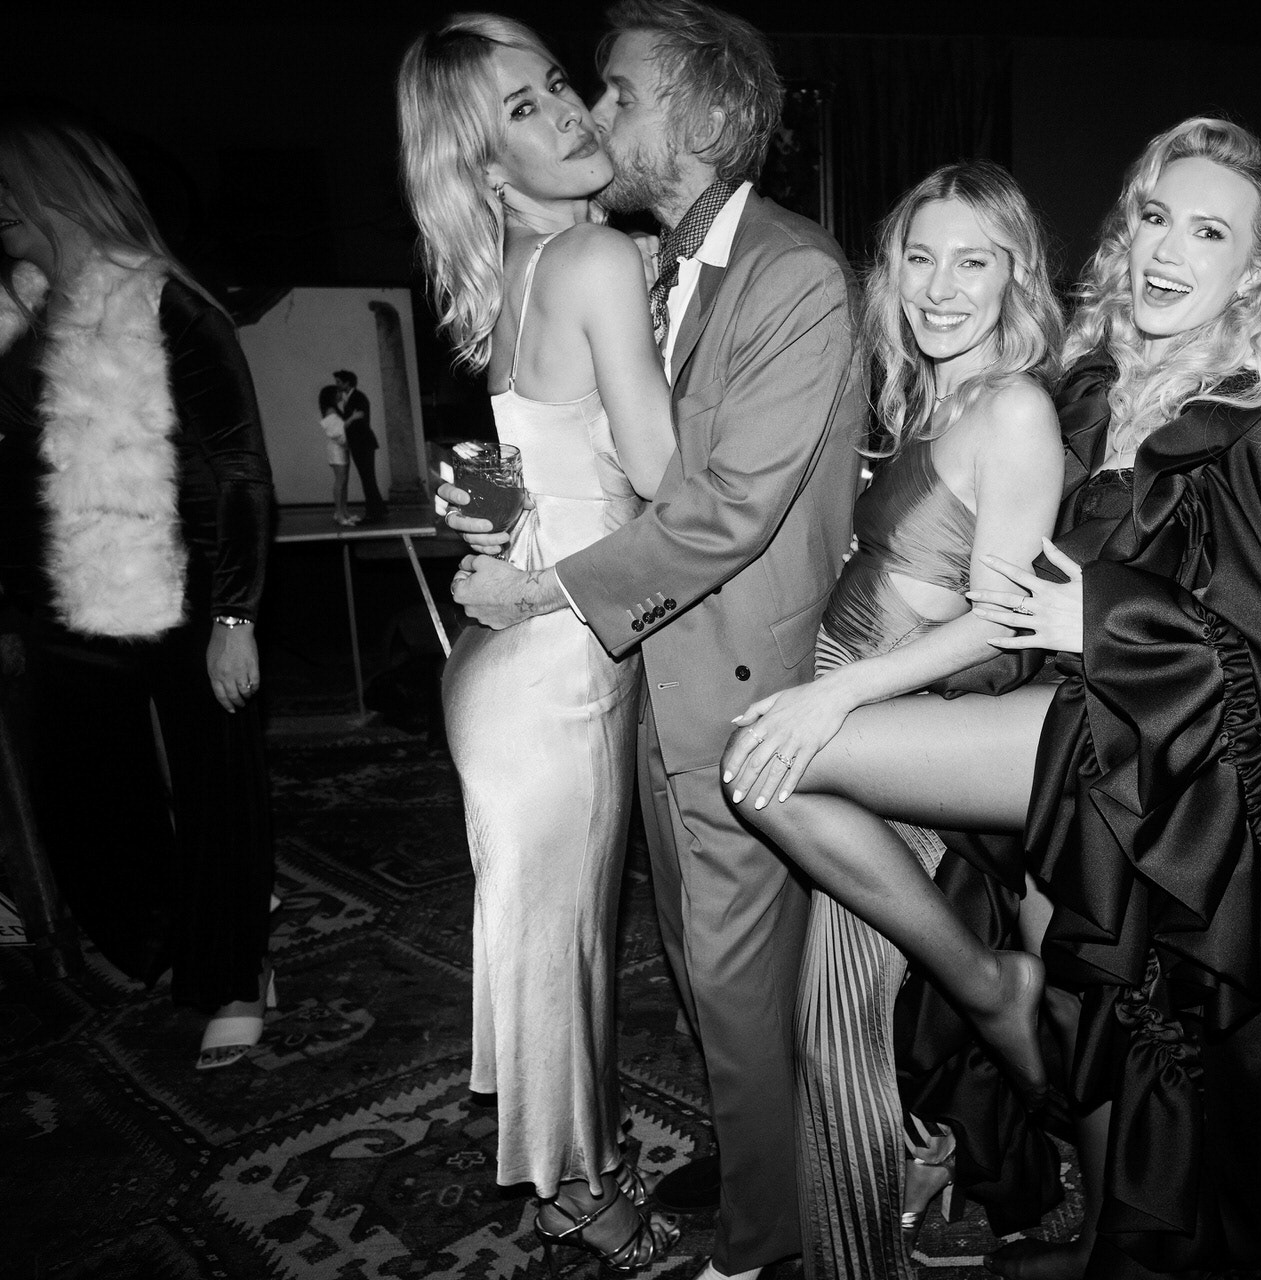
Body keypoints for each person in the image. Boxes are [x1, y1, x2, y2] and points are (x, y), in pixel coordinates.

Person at [722, 116, 1261, 1280]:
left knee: (789, 765)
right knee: (1100, 1002)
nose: (1167, 248)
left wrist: (1104, 620)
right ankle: (1112, 1233)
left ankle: (1000, 1017)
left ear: (1253, 270)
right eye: (1155, 217)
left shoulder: (1244, 422)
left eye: (1208, 232)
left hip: (1156, 753)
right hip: (1072, 725)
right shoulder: (1108, 386)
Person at [442, 4, 864, 1276]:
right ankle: (756, 1160)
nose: (591, 111)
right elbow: (569, 452)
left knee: (728, 975)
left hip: (727, 678)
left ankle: (765, 1240)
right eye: (560, 96)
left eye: (613, 91)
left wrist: (536, 579)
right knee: (692, 964)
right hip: (634, 672)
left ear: (706, 113)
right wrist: (504, 507)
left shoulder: (790, 271)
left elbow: (723, 509)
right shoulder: (634, 261)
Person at [719, 158, 1064, 1278]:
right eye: (920, 258)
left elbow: (1000, 622)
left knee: (840, 1024)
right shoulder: (928, 397)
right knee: (839, 1027)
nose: (940, 286)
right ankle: (874, 1229)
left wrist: (837, 694)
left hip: (895, 725)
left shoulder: (1013, 408)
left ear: (1016, 276)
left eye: (973, 261)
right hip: (858, 702)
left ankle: (990, 998)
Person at [397, 14, 678, 1272]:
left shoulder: (519, 268)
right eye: (524, 108)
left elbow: (513, 466)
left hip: (513, 660)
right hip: (559, 668)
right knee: (558, 949)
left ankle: (573, 1162)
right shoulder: (596, 256)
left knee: (543, 936)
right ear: (480, 162)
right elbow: (670, 484)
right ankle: (578, 1190)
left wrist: (493, 541)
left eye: (557, 84)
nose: (567, 111)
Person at [0, 104, 277, 1071]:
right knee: (85, 793)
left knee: (217, 786)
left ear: (54, 189)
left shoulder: (167, 301)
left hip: (191, 585)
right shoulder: (16, 313)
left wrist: (237, 613)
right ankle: (182, 925)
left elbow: (238, 467)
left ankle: (236, 969)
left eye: (8, 187)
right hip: (63, 604)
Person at [331, 368, 387, 522]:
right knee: (367, 477)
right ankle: (378, 509)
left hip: (362, 444)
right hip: (361, 444)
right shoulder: (352, 398)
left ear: (347, 383)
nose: (337, 385)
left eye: (339, 382)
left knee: (367, 477)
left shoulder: (357, 397)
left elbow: (360, 420)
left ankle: (373, 512)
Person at [316, 382, 356, 526]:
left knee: (343, 481)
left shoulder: (334, 410)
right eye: (338, 392)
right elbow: (338, 432)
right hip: (337, 449)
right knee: (340, 481)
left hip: (342, 448)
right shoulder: (330, 411)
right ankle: (339, 513)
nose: (341, 394)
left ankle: (343, 511)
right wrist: (352, 419)